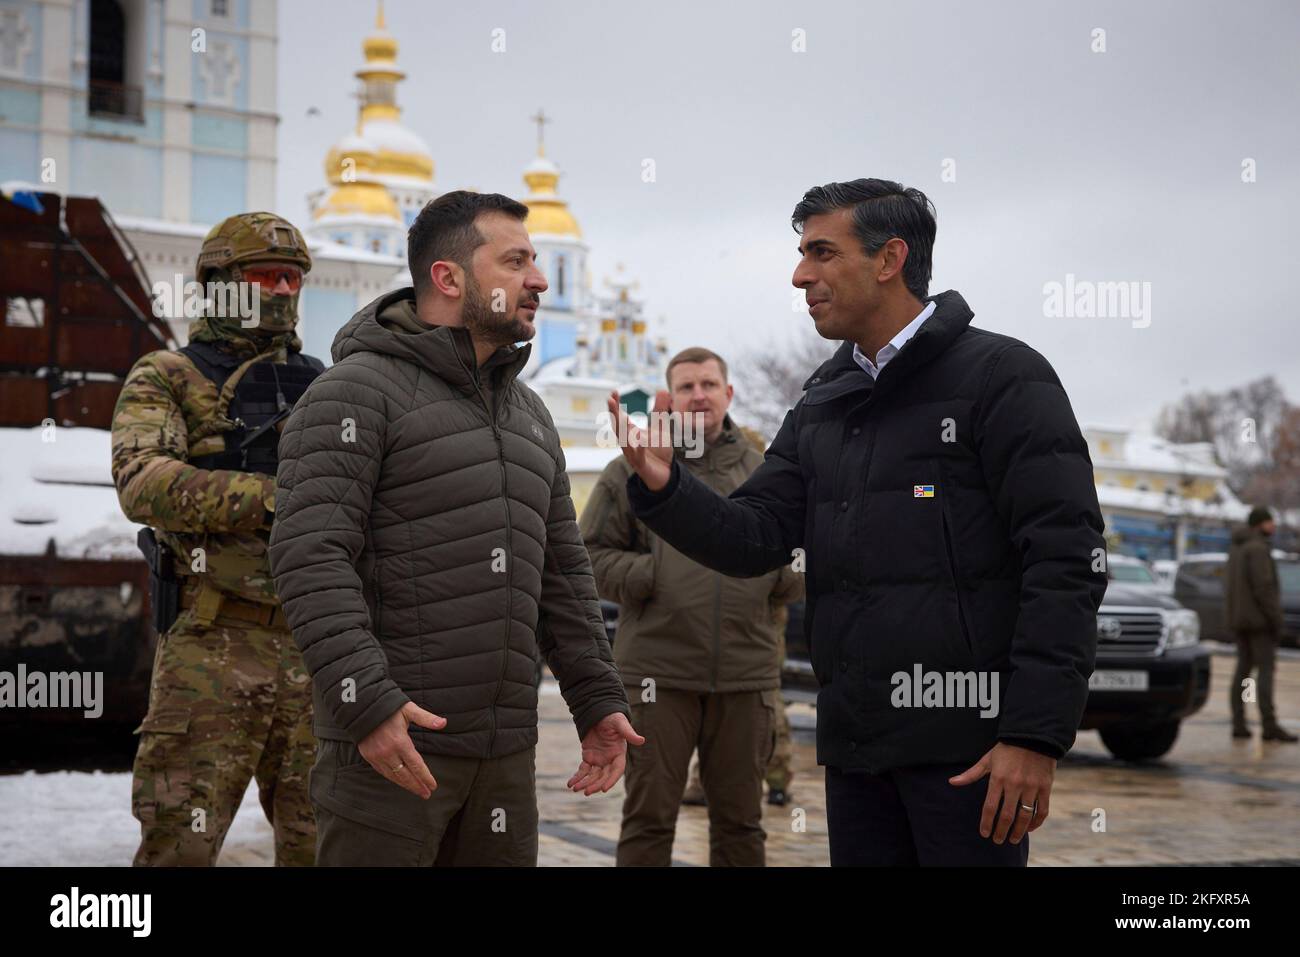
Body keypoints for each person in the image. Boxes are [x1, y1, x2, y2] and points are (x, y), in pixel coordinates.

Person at [607, 178, 1107, 866]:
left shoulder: (1002, 376)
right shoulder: (825, 397)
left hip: (972, 756)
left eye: (820, 252)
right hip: (857, 751)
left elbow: (1067, 562)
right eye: (801, 253)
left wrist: (1034, 735)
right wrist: (664, 484)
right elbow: (754, 534)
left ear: (888, 258)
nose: (799, 274)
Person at [268, 191, 641, 866]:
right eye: (516, 261)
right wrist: (369, 706)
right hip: (390, 754)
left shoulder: (529, 414)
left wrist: (596, 698)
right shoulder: (352, 394)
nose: (539, 279)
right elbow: (309, 556)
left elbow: (562, 572)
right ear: (448, 278)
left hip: (503, 759)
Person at [111, 212, 324, 866]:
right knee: (179, 846)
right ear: (222, 283)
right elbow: (142, 481)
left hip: (317, 647)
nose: (284, 290)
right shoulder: (167, 375)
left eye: (293, 278)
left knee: (334, 845)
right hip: (212, 648)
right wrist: (271, 497)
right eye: (267, 275)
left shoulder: (326, 381)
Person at [581, 348, 803, 866]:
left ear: (729, 393)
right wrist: (654, 574)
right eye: (685, 386)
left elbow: (800, 549)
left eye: (708, 384)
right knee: (649, 820)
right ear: (670, 399)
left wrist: (782, 574)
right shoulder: (628, 469)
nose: (698, 394)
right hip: (658, 677)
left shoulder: (766, 470)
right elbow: (588, 554)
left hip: (746, 678)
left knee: (742, 824)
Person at [1227, 506, 1297, 742]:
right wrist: (1276, 619)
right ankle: (1269, 724)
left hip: (1241, 620)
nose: (1273, 526)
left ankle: (1240, 722)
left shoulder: (1237, 547)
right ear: (1260, 524)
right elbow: (1264, 588)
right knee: (1265, 673)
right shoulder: (1257, 548)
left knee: (1245, 673)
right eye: (1270, 522)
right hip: (1259, 622)